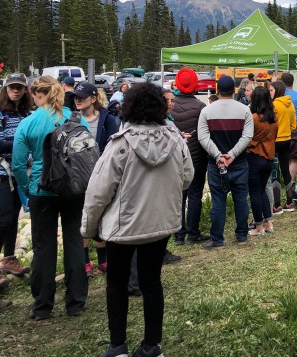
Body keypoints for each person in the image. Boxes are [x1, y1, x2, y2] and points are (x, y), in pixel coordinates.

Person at [81, 83, 193, 357]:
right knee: (151, 281)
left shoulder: (120, 144)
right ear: (160, 107)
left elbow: (98, 192)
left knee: (117, 283)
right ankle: (151, 345)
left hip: (123, 227)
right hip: (161, 224)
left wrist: (89, 228)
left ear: (128, 107)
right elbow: (187, 177)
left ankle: (117, 345)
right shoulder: (176, 140)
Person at [12, 76, 89, 320]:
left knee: (43, 247)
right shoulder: (76, 118)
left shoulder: (29, 122)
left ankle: (43, 305)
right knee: (74, 241)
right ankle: (76, 302)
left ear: (37, 94)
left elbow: (17, 164)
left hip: (41, 188)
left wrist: (26, 190)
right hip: (72, 188)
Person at [197, 75, 254, 248]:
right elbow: (247, 136)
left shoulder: (207, 111)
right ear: (234, 90)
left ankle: (217, 239)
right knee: (241, 200)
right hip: (239, 162)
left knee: (218, 201)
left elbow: (203, 137)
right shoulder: (244, 110)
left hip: (216, 165)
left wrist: (218, 156)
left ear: (217, 90)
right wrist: (232, 154)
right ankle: (242, 235)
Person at [73, 82, 120, 277]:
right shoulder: (72, 118)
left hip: (101, 174)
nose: (77, 100)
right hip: (78, 175)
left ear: (93, 99)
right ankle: (85, 261)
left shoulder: (107, 118)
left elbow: (113, 144)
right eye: (75, 97)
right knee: (82, 217)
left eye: (82, 97)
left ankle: (103, 260)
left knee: (101, 215)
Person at [0, 73, 34, 288]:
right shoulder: (1, 113)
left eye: (19, 87)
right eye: (12, 87)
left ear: (25, 90)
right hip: (2, 173)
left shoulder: (26, 114)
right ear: (5, 89)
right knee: (3, 219)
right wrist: (20, 145)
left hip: (18, 173)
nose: (16, 90)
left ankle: (9, 258)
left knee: (13, 217)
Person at [170, 68, 210, 246]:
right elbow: (204, 134)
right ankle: (193, 233)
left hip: (174, 158)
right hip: (196, 158)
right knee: (195, 194)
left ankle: (178, 234)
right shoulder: (200, 107)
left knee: (178, 196)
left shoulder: (170, 105)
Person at [246, 86, 278, 236]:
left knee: (254, 193)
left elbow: (248, 138)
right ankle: (269, 223)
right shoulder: (274, 118)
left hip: (255, 157)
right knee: (262, 190)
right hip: (269, 157)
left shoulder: (253, 118)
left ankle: (258, 227)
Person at [269, 80, 296, 213]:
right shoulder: (290, 104)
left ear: (277, 91)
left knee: (275, 172)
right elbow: (294, 125)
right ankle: (289, 202)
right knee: (285, 169)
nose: (269, 93)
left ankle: (277, 205)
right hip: (287, 139)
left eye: (271, 90)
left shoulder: (273, 105)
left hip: (275, 141)